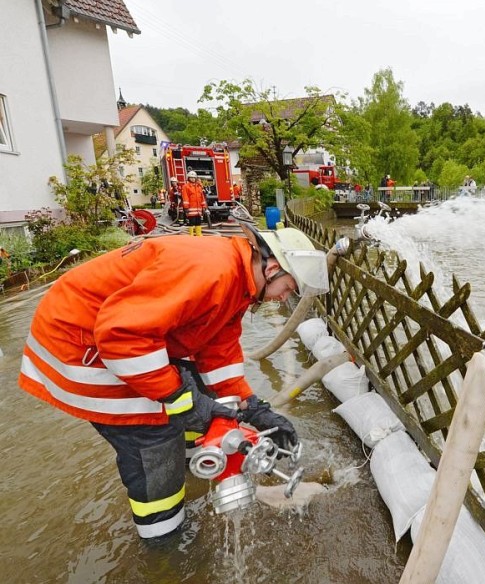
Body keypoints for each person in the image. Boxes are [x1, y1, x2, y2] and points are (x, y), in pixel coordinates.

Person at [18, 223, 329, 540]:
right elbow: (122, 337)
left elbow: (218, 350)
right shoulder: (211, 271)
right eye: (288, 289)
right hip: (81, 347)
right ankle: (163, 539)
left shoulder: (238, 280)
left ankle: (197, 467)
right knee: (154, 438)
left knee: (200, 402)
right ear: (273, 267)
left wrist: (252, 409)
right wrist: (186, 401)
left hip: (119, 335)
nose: (283, 298)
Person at [182, 171, 207, 236]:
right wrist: (186, 207)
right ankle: (191, 235)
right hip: (191, 208)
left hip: (198, 209)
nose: (193, 179)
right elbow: (185, 197)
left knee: (198, 222)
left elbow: (202, 197)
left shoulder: (199, 186)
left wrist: (204, 206)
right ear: (188, 178)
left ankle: (198, 234)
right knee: (191, 222)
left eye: (194, 178)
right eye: (191, 178)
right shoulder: (186, 187)